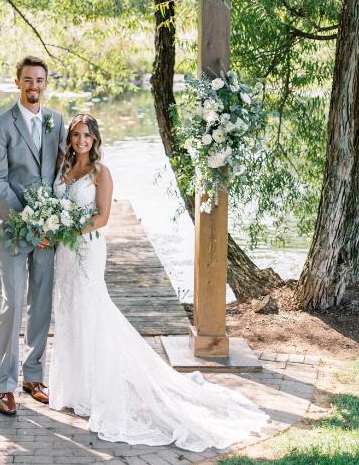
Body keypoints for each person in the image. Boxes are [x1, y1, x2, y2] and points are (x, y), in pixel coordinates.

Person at [49, 114, 269, 452]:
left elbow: (103, 217)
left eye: (87, 136)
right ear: (70, 138)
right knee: (67, 314)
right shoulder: (63, 168)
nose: (81, 141)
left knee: (90, 312)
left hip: (87, 250)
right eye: (76, 135)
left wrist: (66, 230)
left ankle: (95, 389)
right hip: (64, 255)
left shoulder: (101, 173)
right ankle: (72, 388)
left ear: (95, 140)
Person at [0, 55, 66, 416]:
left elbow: (62, 172)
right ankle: (5, 385)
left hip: (48, 232)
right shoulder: (0, 124)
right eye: (28, 80)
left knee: (41, 305)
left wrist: (57, 219)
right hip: (15, 229)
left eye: (40, 80)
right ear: (17, 83)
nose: (34, 86)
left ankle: (34, 376)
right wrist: (27, 220)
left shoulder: (56, 121)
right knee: (13, 303)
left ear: (46, 84)